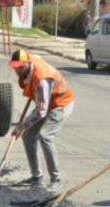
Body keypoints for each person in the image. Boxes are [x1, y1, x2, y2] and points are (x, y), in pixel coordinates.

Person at [8, 49, 74, 193]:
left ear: (27, 64)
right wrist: (24, 128)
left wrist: (22, 125)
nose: (16, 70)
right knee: (28, 135)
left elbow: (41, 112)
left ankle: (56, 179)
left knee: (45, 136)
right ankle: (36, 177)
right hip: (47, 103)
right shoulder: (31, 62)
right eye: (14, 67)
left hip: (61, 104)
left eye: (19, 67)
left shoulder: (42, 78)